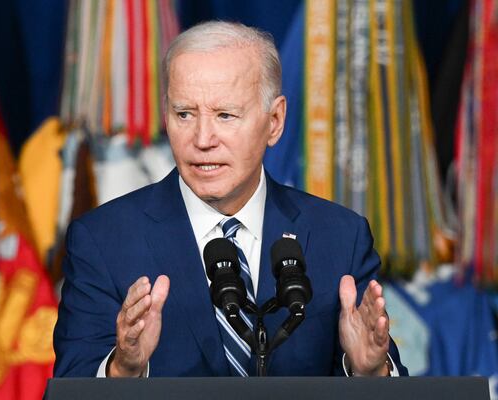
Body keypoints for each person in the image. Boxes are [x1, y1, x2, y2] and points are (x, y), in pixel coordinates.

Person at [53, 21, 408, 378]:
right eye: (184, 114)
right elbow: (73, 382)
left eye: (225, 115)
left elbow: (379, 373)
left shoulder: (340, 237)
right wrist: (122, 370)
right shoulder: (103, 240)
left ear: (275, 121)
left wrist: (369, 370)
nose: (203, 139)